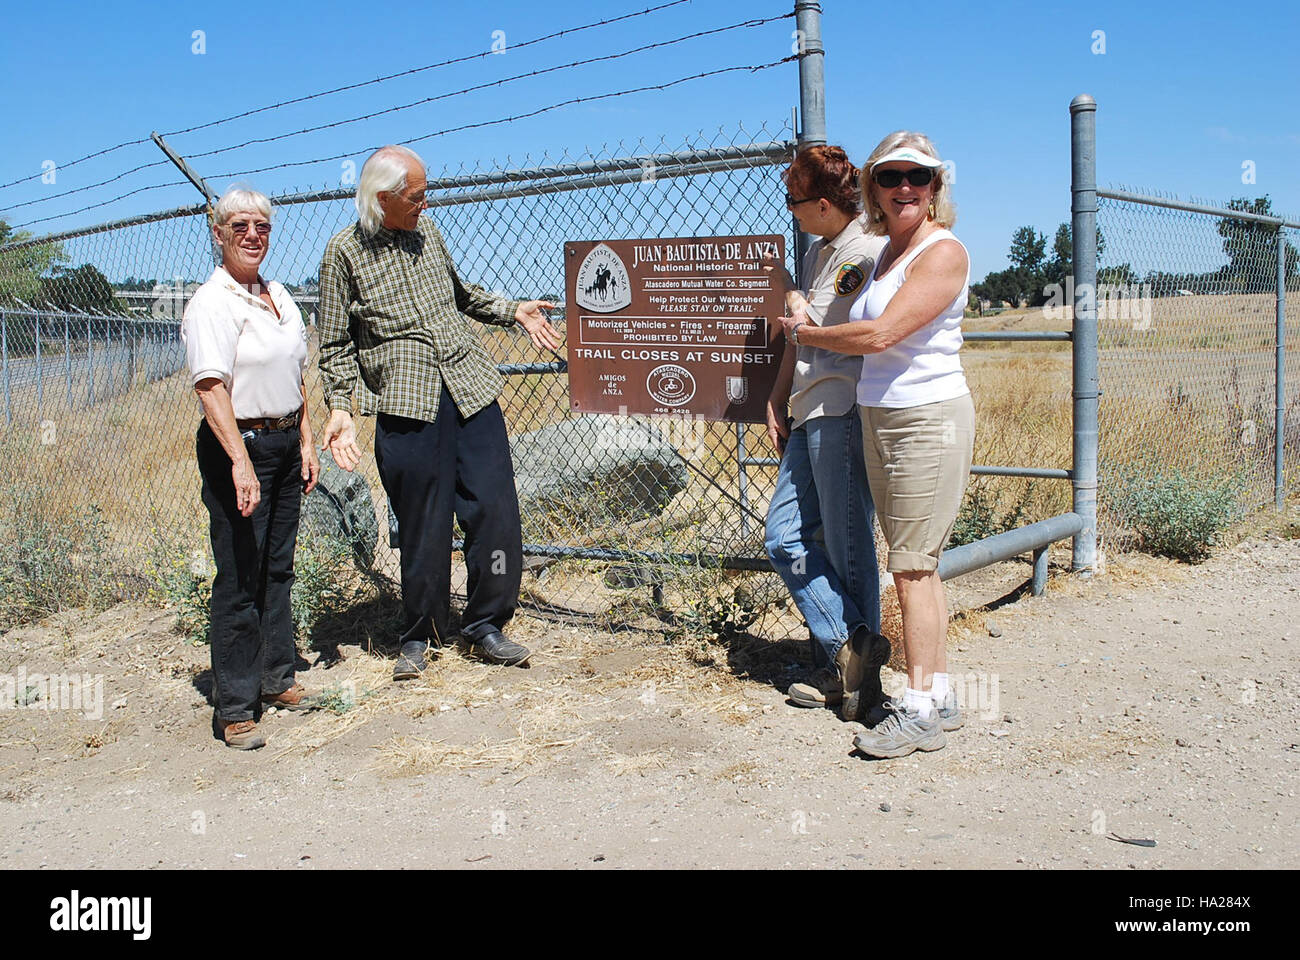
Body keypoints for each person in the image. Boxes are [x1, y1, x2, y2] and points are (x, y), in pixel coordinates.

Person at [317, 145, 561, 681]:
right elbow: (334, 342)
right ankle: (419, 633)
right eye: (417, 196)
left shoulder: (430, 236)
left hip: (469, 387)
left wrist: (510, 310)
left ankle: (486, 624)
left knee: (493, 507)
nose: (427, 204)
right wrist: (340, 406)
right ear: (383, 199)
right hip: (408, 403)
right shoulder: (344, 253)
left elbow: (460, 295)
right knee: (423, 523)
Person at [779, 132, 973, 758]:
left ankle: (913, 709)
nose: (903, 188)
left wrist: (810, 332)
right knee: (918, 564)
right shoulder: (887, 250)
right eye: (889, 177)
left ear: (936, 186)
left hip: (925, 418)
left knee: (911, 567)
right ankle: (935, 695)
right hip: (881, 415)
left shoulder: (942, 252)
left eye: (917, 177)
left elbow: (884, 332)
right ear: (873, 188)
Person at [182, 186, 321, 751]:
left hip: (285, 442)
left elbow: (297, 377)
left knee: (278, 566)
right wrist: (240, 463)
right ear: (218, 234)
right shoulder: (211, 302)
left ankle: (276, 676)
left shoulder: (280, 294)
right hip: (239, 446)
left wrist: (306, 442)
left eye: (260, 226)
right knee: (240, 573)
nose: (251, 235)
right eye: (238, 226)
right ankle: (235, 706)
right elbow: (210, 389)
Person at [762, 145, 890, 720]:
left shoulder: (861, 249)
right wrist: (775, 398)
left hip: (838, 410)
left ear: (819, 203)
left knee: (847, 545)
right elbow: (800, 337)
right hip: (808, 406)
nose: (788, 210)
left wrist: (790, 300)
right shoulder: (820, 250)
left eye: (793, 200)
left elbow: (809, 326)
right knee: (785, 536)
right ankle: (849, 651)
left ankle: (862, 681)